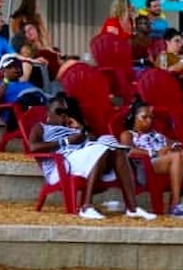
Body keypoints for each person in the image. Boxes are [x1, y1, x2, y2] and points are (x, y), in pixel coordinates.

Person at [28, 93, 156, 221]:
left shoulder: (71, 125)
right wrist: (66, 141)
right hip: (62, 164)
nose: (63, 115)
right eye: (59, 111)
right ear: (48, 112)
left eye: (65, 111)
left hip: (83, 157)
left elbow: (92, 139)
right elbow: (33, 147)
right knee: (102, 149)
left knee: (118, 151)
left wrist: (81, 129)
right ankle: (86, 207)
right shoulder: (40, 127)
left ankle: (132, 208)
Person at [119, 101, 183, 217]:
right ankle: (176, 204)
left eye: (151, 117)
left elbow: (174, 144)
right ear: (133, 118)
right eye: (144, 117)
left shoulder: (156, 134)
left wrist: (174, 148)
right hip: (147, 164)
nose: (149, 120)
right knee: (175, 158)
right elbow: (128, 151)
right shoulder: (128, 134)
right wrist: (156, 152)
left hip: (170, 161)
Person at [0, 54, 45, 126]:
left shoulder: (27, 84)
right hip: (15, 115)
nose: (16, 68)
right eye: (10, 67)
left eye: (18, 66)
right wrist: (6, 80)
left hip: (36, 109)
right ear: (2, 70)